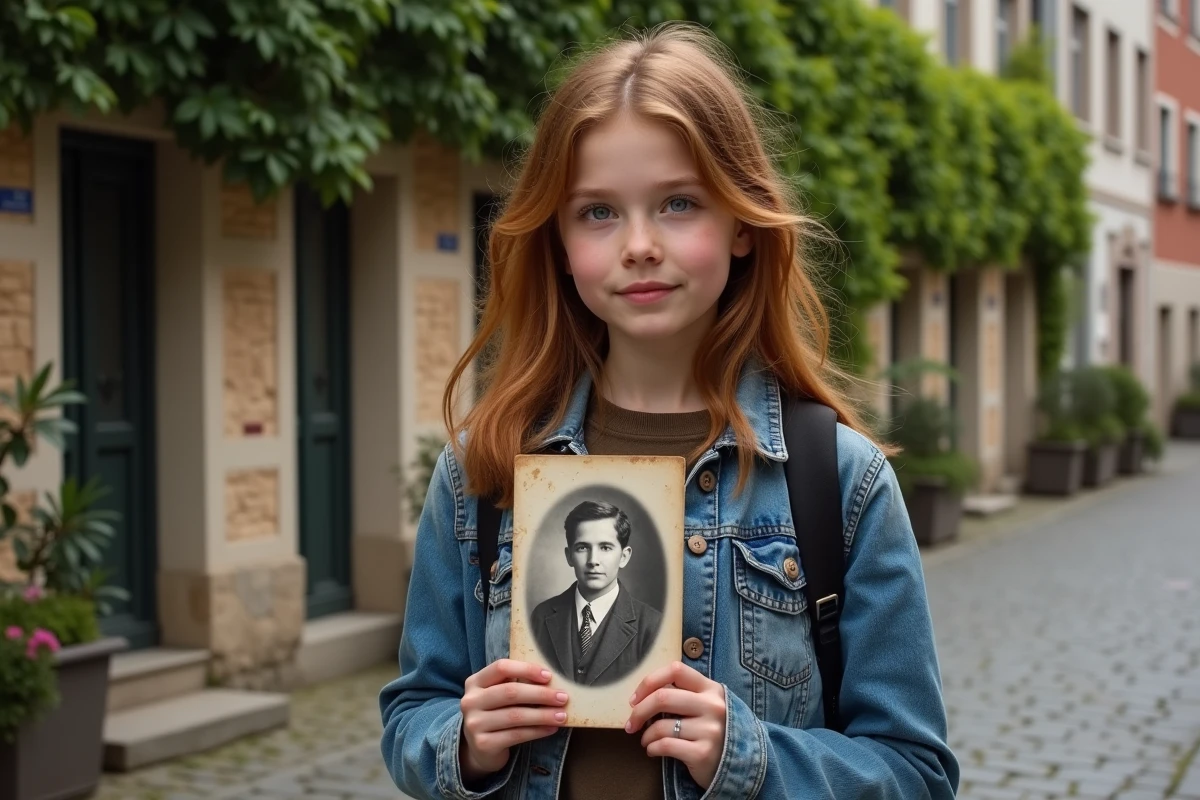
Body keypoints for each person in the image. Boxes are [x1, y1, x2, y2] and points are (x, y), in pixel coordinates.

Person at [380, 22, 959, 800]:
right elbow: (412, 714)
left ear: (743, 225)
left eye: (679, 203)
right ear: (556, 239)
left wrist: (748, 756)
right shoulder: (481, 471)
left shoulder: (840, 484)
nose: (639, 245)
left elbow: (917, 774)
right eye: (597, 213)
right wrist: (465, 741)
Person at [530, 500, 662, 687]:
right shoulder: (541, 616)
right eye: (583, 548)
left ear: (624, 557)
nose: (593, 560)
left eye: (605, 548)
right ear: (569, 556)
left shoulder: (652, 625)